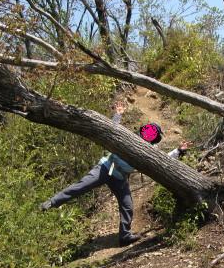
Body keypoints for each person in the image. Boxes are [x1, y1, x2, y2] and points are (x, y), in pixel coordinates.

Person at [40, 102, 192, 246]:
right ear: (144, 130)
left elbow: (163, 159)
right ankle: (52, 202)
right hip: (105, 168)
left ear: (155, 138)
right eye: (150, 130)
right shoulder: (129, 137)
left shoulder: (150, 150)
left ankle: (124, 236)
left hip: (119, 178)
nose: (150, 134)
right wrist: (117, 114)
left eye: (153, 133)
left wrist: (178, 151)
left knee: (127, 206)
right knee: (81, 186)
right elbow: (111, 130)